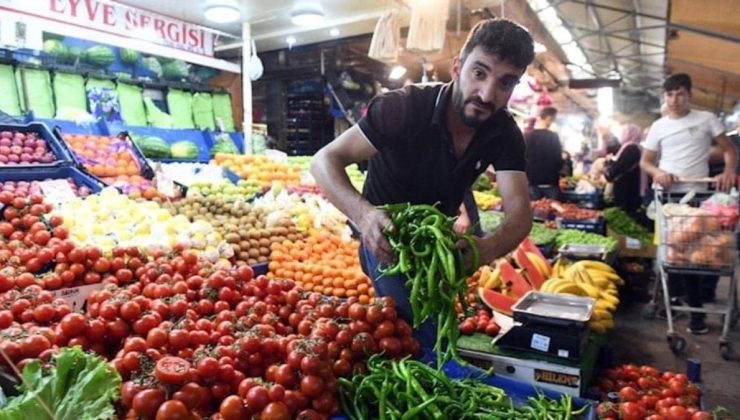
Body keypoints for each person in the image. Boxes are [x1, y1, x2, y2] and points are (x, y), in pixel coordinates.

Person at [311, 18, 535, 355]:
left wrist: (484, 250)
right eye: (479, 72)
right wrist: (365, 217)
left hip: (438, 245)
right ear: (458, 67)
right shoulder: (403, 108)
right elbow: (324, 161)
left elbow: (520, 216)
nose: (488, 94)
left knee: (439, 327)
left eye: (505, 82)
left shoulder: (503, 132)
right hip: (386, 241)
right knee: (418, 339)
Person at [640, 73, 738, 334]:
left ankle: (694, 311)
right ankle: (678, 304)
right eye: (669, 94)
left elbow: (729, 149)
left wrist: (728, 172)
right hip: (668, 199)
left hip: (697, 197)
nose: (674, 99)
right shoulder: (659, 126)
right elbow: (645, 162)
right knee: (672, 255)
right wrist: (657, 172)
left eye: (680, 93)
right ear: (664, 97)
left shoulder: (707, 119)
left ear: (689, 95)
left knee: (694, 257)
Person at [602, 123, 643, 215]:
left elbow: (620, 167)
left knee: (626, 213)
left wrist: (609, 168)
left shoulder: (631, 148)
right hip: (632, 187)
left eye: (624, 132)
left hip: (627, 189)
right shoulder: (637, 147)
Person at [524, 106, 562, 200]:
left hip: (532, 182)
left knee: (535, 212)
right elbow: (558, 160)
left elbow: (523, 158)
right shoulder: (553, 137)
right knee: (552, 211)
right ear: (549, 118)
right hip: (550, 182)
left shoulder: (527, 136)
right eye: (554, 119)